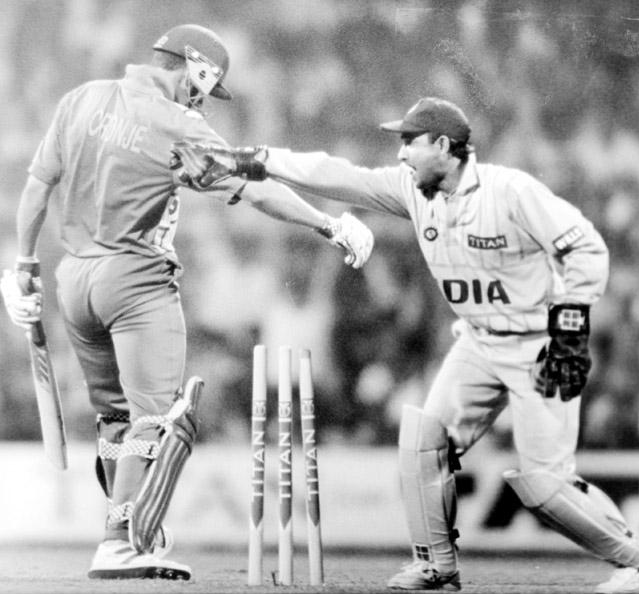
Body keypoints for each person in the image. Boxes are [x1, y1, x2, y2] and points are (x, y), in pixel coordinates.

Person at [171, 97, 639, 593]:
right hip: (476, 342)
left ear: (444, 146)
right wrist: (252, 158)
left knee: (545, 487)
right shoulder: (412, 190)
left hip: (537, 345)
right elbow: (335, 173)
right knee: (422, 442)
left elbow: (585, 246)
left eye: (411, 142)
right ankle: (436, 565)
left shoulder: (510, 190)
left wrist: (571, 329)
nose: (402, 154)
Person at [0, 24, 372, 581]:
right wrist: (328, 223)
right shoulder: (181, 124)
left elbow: (36, 188)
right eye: (208, 84)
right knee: (156, 417)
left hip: (73, 283)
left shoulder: (80, 99)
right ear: (195, 67)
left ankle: (128, 528)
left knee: (115, 418)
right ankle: (122, 540)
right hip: (136, 281)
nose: (205, 97)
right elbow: (257, 187)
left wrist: (21, 267)